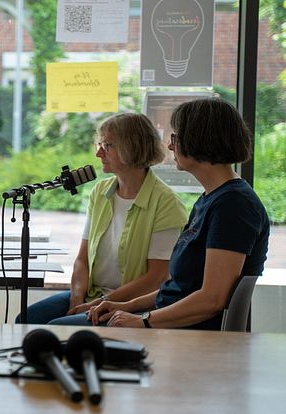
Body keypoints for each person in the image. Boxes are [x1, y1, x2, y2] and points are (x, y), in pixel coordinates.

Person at [90, 98, 270, 329]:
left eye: (175, 138)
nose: (171, 146)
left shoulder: (233, 206)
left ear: (200, 139)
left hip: (191, 336)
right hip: (169, 324)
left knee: (61, 328)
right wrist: (126, 305)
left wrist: (143, 321)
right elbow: (177, 288)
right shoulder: (212, 198)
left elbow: (212, 299)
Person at [18, 113, 187, 325]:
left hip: (134, 307)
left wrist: (97, 304)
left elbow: (156, 279)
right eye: (100, 144)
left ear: (132, 148)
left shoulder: (166, 202)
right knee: (26, 319)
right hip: (93, 296)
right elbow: (82, 260)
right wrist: (77, 297)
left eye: (107, 146)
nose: (98, 153)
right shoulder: (100, 192)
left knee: (57, 327)